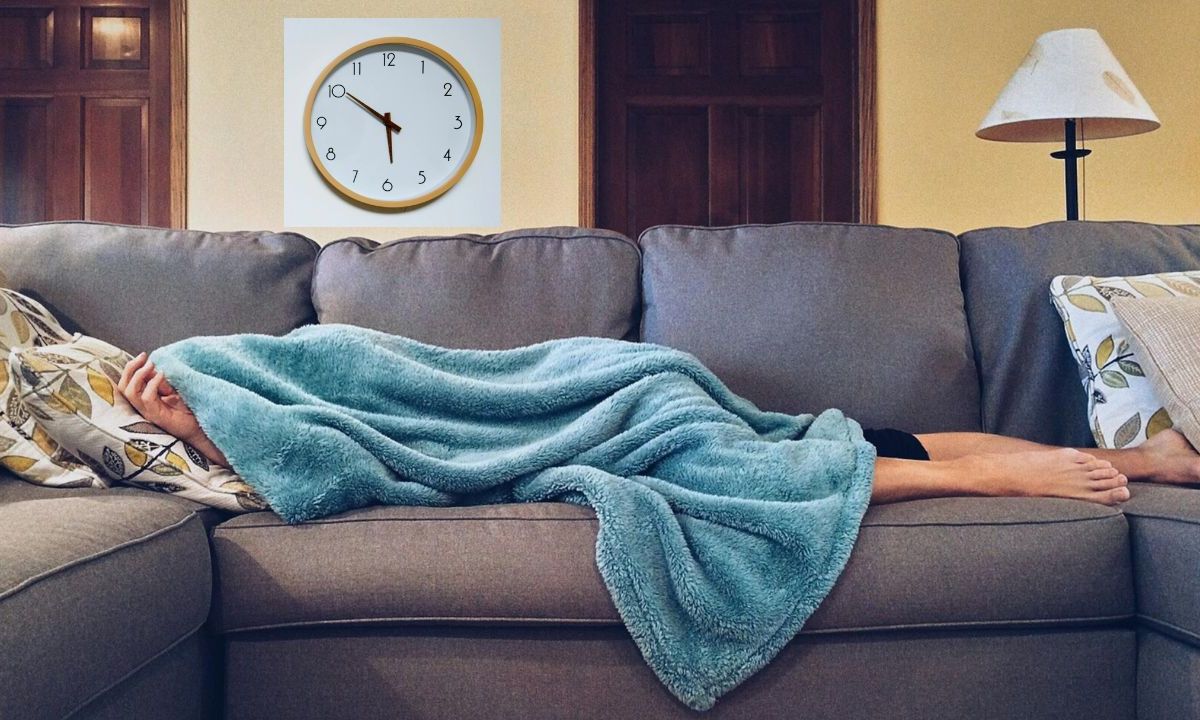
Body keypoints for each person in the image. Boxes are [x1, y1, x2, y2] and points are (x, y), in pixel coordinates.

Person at [116, 351, 1200, 507]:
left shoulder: (257, 356)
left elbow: (424, 384)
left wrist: (210, 405)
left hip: (628, 392)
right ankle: (1141, 459)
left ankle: (1024, 476)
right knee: (870, 440)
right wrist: (207, 430)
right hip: (634, 398)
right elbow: (344, 460)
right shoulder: (226, 407)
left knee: (775, 463)